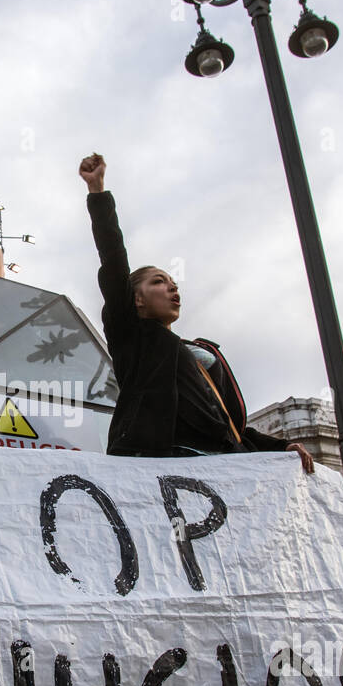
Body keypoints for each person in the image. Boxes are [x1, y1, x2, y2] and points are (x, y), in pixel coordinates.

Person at [78, 152, 315, 467]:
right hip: (160, 463)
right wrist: (98, 192)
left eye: (174, 283)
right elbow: (113, 256)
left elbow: (228, 425)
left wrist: (282, 446)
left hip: (220, 468)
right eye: (159, 282)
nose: (173, 287)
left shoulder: (198, 353)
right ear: (136, 299)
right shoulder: (133, 339)